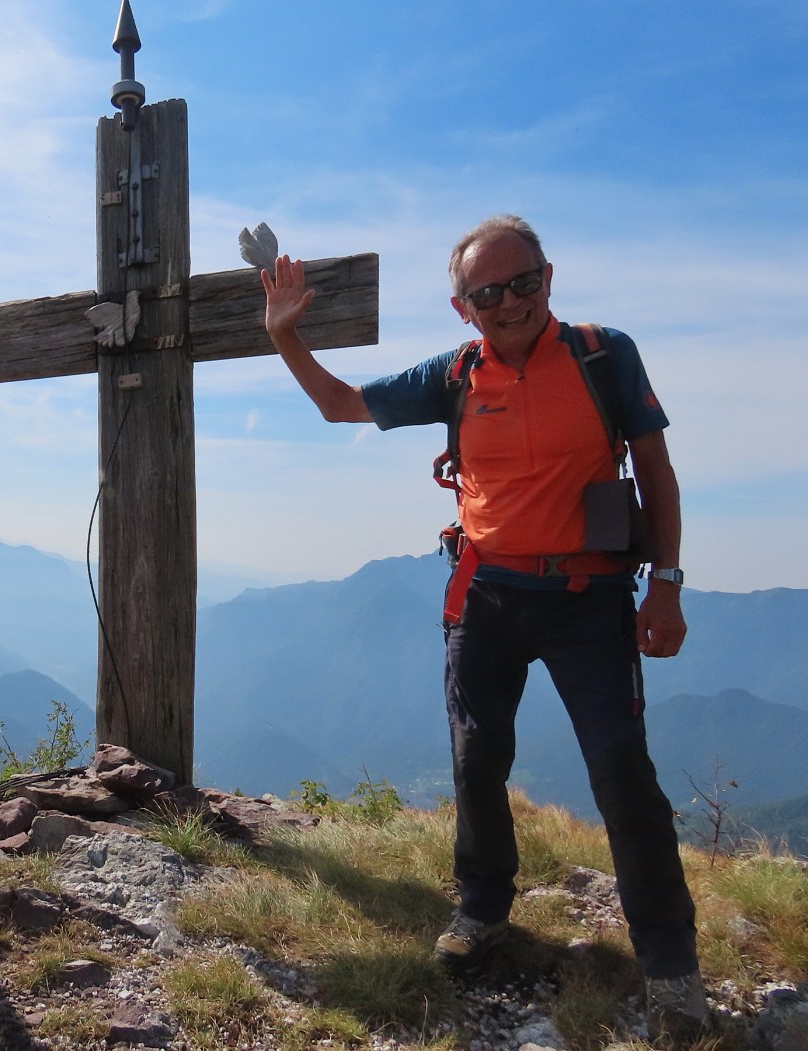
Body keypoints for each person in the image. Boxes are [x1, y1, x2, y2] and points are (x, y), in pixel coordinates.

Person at [263, 216, 706, 1042]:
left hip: (590, 596)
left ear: (549, 275)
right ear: (463, 307)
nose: (511, 302)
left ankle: (672, 967)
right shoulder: (455, 372)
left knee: (623, 778)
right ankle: (481, 912)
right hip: (486, 594)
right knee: (477, 764)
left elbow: (655, 470)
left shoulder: (604, 354)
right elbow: (338, 405)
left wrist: (668, 586)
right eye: (488, 292)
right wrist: (286, 337)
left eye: (524, 281)